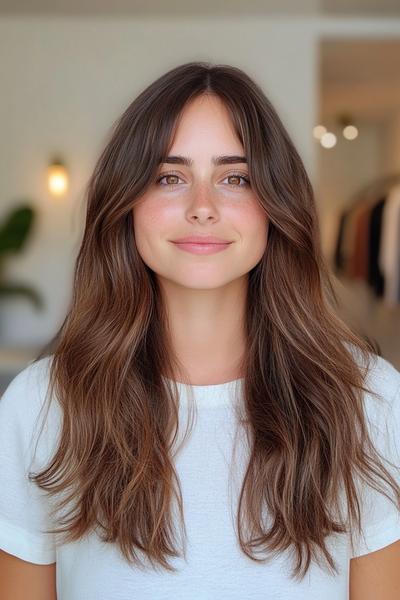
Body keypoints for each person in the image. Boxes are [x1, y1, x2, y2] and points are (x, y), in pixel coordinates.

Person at [0, 61, 399, 600]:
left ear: (275, 207)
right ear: (127, 206)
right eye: (170, 177)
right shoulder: (42, 404)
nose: (203, 208)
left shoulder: (368, 401)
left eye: (235, 178)